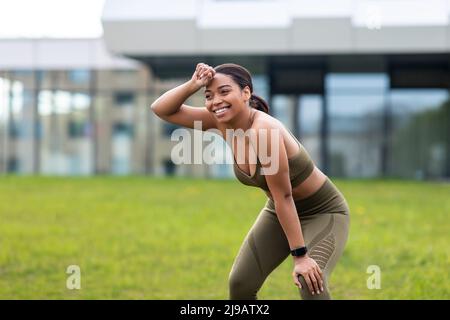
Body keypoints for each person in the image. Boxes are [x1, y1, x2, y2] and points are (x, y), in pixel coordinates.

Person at [151, 62, 350, 300]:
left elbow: (284, 196)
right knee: (241, 285)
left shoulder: (264, 131)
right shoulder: (220, 122)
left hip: (322, 211)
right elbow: (161, 109)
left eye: (224, 92)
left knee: (310, 283)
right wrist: (194, 84)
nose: (216, 101)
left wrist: (300, 256)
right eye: (208, 95)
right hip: (279, 210)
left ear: (246, 93)